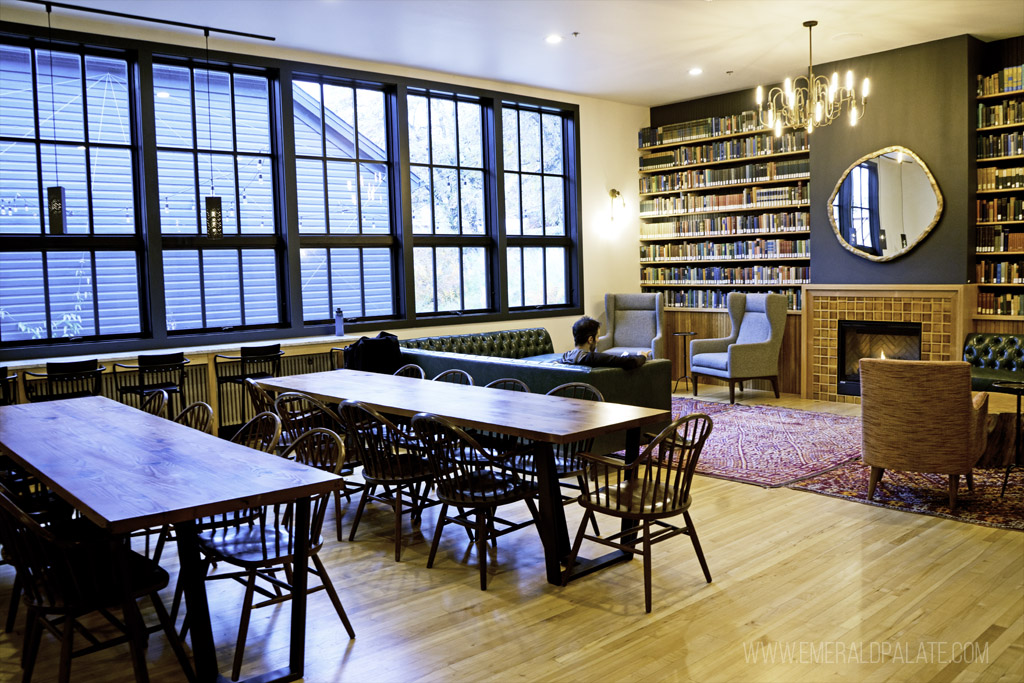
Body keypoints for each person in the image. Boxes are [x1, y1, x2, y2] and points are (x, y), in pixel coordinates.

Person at [558, 316, 647, 369]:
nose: (598, 340)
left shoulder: (565, 357)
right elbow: (630, 362)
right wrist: (642, 356)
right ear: (590, 340)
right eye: (597, 337)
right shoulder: (592, 358)